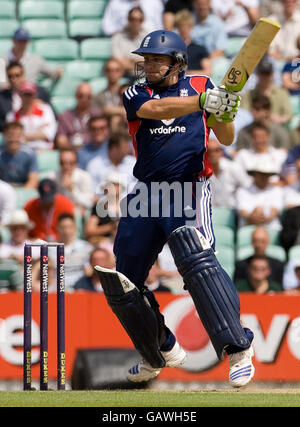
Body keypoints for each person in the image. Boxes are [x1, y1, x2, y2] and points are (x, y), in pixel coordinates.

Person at [93, 29, 255, 388]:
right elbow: (157, 109)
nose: (148, 65)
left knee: (198, 263)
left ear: (177, 63)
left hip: (189, 188)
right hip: (147, 191)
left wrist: (223, 110)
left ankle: (239, 348)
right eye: (146, 59)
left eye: (156, 60)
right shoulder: (137, 92)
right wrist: (204, 102)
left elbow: (225, 137)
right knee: (124, 282)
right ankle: (159, 349)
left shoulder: (201, 84)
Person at [240, 56, 293, 126]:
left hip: (274, 128)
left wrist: (279, 119)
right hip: (253, 128)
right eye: (262, 73)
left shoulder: (282, 93)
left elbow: (288, 115)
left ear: (272, 75)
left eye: (267, 74)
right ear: (257, 74)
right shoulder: (248, 94)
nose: (265, 77)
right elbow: (243, 114)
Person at [6, 81, 57, 151]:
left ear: (35, 95)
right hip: (22, 151)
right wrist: (39, 133)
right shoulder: (12, 115)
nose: (27, 98)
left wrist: (24, 135)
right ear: (20, 96)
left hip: (44, 149)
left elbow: (49, 134)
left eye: (30, 95)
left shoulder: (45, 110)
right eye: (25, 95)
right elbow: (12, 137)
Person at [0, 61, 51, 131]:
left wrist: (41, 106)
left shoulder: (40, 92)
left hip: (38, 134)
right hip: (13, 136)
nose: (14, 79)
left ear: (23, 75)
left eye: (17, 75)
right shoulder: (2, 97)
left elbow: (52, 116)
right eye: (10, 76)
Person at [236, 158, 284, 229]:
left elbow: (275, 210)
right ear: (254, 174)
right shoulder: (242, 191)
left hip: (271, 228)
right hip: (248, 228)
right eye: (261, 174)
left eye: (266, 174)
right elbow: (242, 211)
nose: (264, 177)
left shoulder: (277, 190)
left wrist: (265, 219)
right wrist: (252, 218)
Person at [47, 148, 94, 215]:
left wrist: (72, 189)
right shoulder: (52, 177)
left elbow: (88, 202)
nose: (66, 166)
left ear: (76, 163)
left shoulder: (84, 177)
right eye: (62, 163)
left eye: (71, 163)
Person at [52, 213, 93, 290]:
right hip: (56, 289)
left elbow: (89, 271)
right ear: (57, 228)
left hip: (80, 288)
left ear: (75, 228)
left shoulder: (86, 247)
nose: (66, 231)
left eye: (69, 227)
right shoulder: (50, 249)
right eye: (63, 227)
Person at [208, 138, 251, 208]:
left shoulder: (234, 168)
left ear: (221, 151)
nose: (213, 154)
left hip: (235, 211)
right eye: (209, 151)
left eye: (216, 150)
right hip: (212, 213)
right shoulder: (200, 172)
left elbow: (248, 187)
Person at [55, 82, 100, 149]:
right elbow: (61, 141)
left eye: (88, 97)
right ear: (76, 96)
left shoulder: (98, 116)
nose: (84, 99)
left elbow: (102, 139)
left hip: (92, 151)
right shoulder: (65, 116)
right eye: (81, 96)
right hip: (72, 152)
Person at [85, 172, 124, 245]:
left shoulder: (127, 207)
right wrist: (111, 227)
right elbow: (89, 231)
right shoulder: (99, 207)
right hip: (102, 244)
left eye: (115, 185)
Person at [111, 7, 149, 79]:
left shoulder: (149, 36)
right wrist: (139, 61)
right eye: (132, 19)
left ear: (143, 21)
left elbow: (150, 60)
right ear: (128, 20)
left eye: (139, 20)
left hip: (146, 75)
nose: (135, 22)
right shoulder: (117, 38)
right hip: (124, 75)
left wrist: (130, 60)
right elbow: (118, 61)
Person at [92, 59, 127, 133]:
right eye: (109, 70)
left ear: (122, 72)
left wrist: (110, 110)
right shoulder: (99, 96)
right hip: (106, 133)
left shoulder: (127, 92)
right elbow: (97, 114)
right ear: (105, 72)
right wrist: (121, 110)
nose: (112, 73)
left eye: (116, 70)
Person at [0, 122, 39, 188]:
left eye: (17, 136)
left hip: (23, 187)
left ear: (22, 135)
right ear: (4, 135)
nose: (13, 139)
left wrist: (22, 194)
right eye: (10, 135)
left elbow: (33, 180)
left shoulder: (29, 153)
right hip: (4, 189)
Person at [174, 9, 211, 76]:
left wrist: (186, 74)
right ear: (177, 27)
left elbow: (207, 72)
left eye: (187, 26)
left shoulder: (200, 49)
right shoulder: (171, 49)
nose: (184, 29)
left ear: (191, 27)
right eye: (181, 26)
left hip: (193, 82)